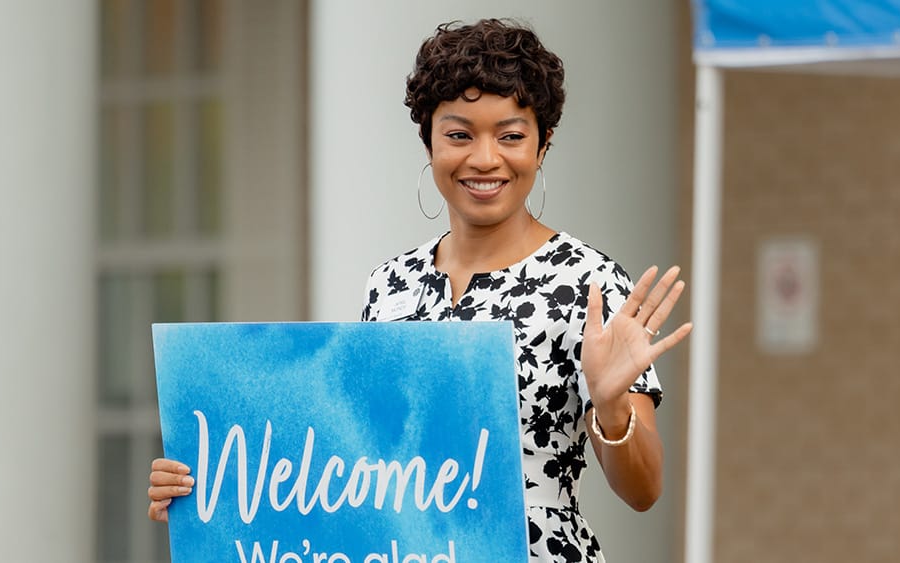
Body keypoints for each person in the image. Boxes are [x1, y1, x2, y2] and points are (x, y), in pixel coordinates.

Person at [149, 18, 692, 562]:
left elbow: (644, 491)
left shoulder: (588, 283)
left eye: (510, 136)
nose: (485, 158)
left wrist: (610, 405)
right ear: (429, 142)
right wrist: (212, 488)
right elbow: (353, 467)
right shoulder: (391, 285)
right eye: (459, 135)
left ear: (543, 144)